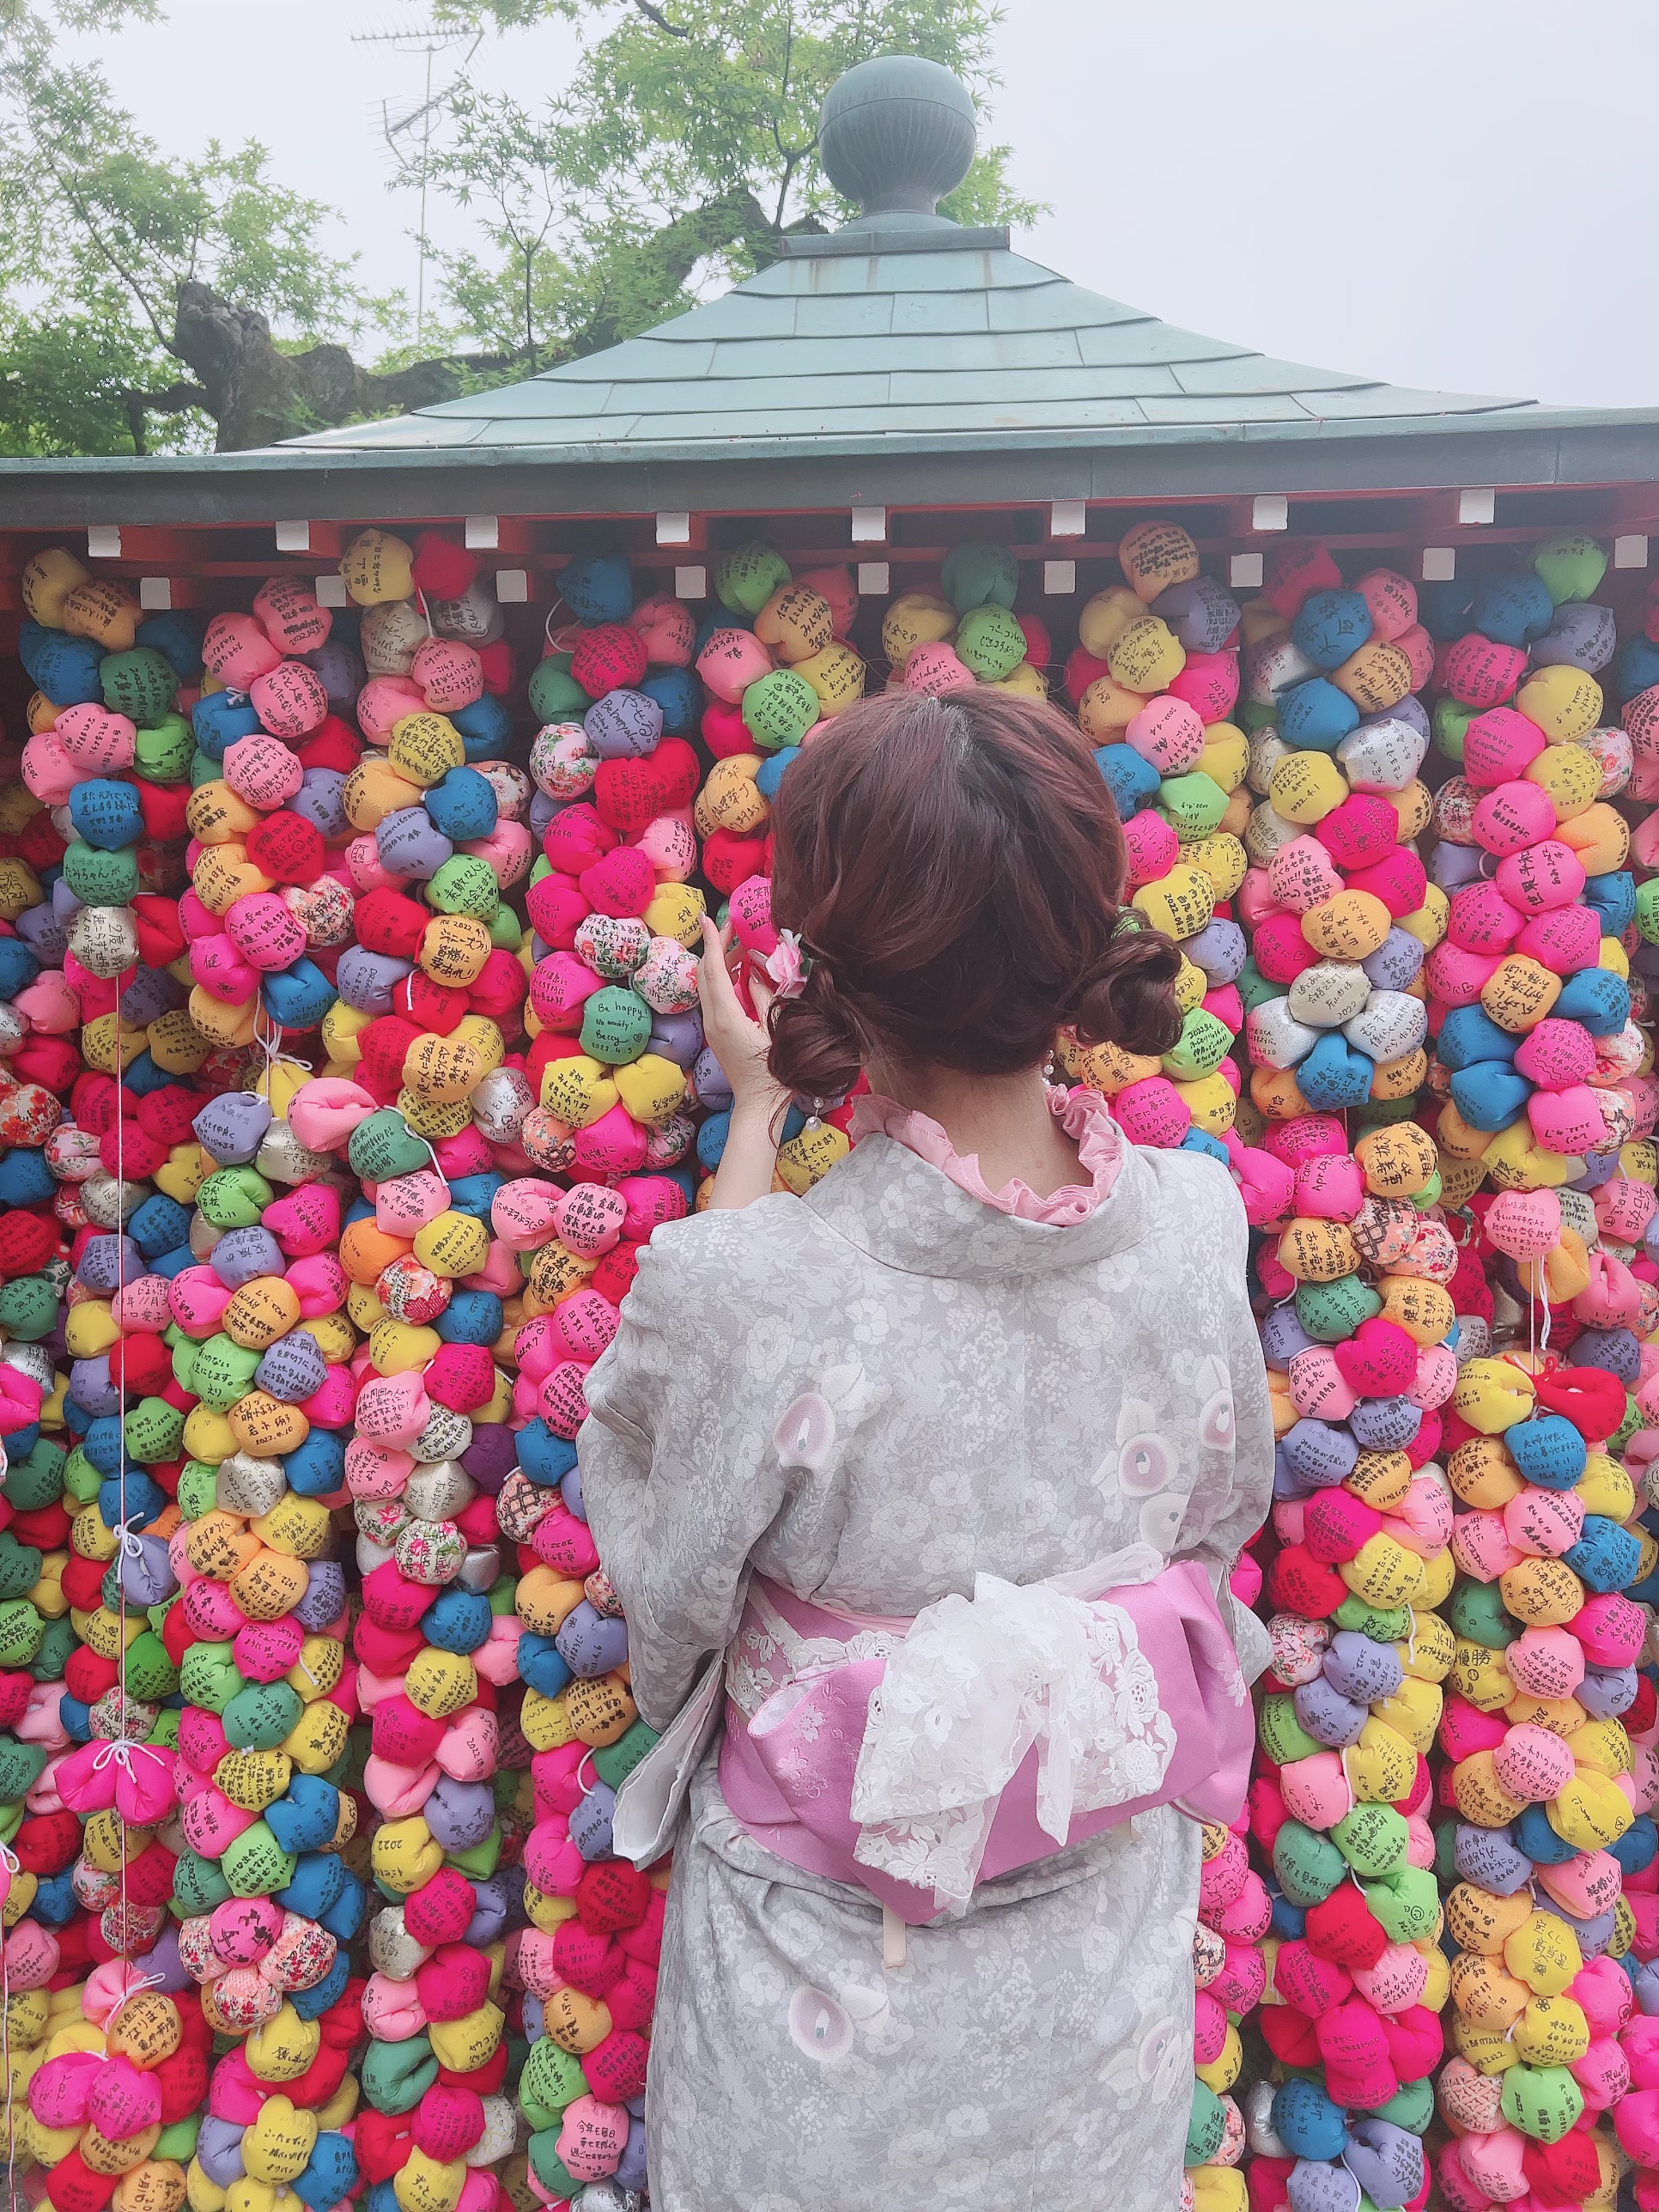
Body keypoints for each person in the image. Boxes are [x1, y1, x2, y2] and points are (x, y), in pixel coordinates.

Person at [579, 688, 1274, 2212]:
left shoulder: (758, 1291)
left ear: (834, 968)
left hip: (827, 2019)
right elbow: (1218, 1532)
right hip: (1093, 2003)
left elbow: (668, 1583)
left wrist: (756, 1108)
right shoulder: (1197, 1230)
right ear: (1077, 939)